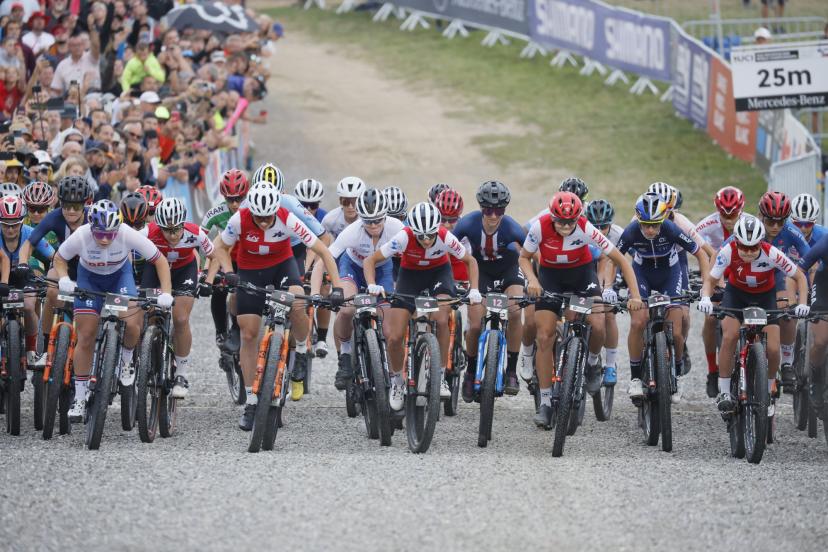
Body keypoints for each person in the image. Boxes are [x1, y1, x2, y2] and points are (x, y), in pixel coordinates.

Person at [211, 184, 344, 430]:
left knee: (296, 301)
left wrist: (337, 287)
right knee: (249, 333)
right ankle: (252, 400)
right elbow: (219, 246)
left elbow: (323, 249)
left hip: (282, 266)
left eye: (268, 217)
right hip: (250, 270)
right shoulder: (240, 218)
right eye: (259, 217)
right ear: (251, 211)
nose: (263, 222)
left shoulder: (287, 218)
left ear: (276, 210)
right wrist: (229, 272)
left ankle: (302, 350)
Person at [520, 191, 644, 429]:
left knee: (598, 324)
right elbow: (524, 257)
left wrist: (635, 295)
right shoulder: (539, 227)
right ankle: (545, 403)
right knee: (544, 336)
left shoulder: (587, 228)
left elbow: (620, 259)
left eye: (571, 222)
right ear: (552, 216)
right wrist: (532, 281)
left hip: (582, 277)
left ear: (578, 217)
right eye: (561, 221)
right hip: (550, 278)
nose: (566, 226)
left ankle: (593, 362)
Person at [54, 200, 173, 422]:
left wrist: (166, 292)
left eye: (111, 233)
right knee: (86, 336)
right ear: (91, 227)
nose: (106, 239)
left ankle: (127, 359)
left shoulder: (127, 233)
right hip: (89, 280)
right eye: (100, 234)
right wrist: (63, 278)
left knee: (131, 323)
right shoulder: (81, 235)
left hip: (120, 277)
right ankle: (80, 397)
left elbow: (160, 260)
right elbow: (60, 258)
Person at [363, 201, 481, 411]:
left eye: (430, 235)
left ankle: (442, 375)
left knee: (441, 318)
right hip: (411, 276)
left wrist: (474, 289)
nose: (426, 240)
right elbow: (370, 260)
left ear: (437, 230)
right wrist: (372, 284)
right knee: (395, 336)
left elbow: (470, 261)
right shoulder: (404, 237)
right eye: (421, 236)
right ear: (413, 232)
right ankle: (398, 382)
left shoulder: (445, 236)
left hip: (439, 274)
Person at [699, 215, 808, 414]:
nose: (748, 252)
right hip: (736, 295)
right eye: (744, 247)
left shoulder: (772, 253)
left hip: (765, 297)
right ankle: (724, 392)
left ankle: (767, 391)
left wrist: (802, 304)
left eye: (754, 248)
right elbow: (711, 280)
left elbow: (799, 276)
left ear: (761, 243)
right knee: (729, 336)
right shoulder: (728, 251)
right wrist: (705, 298)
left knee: (774, 349)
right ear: (736, 242)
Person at [617, 192, 710, 403]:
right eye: (646, 225)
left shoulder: (671, 229)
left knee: (677, 332)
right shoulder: (631, 231)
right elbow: (613, 258)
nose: (650, 230)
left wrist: (706, 289)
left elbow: (701, 255)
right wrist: (607, 286)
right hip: (641, 273)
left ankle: (676, 374)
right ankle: (634, 379)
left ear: (663, 220)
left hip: (670, 274)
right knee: (638, 321)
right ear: (638, 220)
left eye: (655, 225)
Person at [142, 198, 229, 398]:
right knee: (149, 312)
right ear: (159, 226)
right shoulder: (149, 231)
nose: (172, 235)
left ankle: (181, 374)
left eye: (176, 230)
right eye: (167, 230)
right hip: (155, 271)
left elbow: (215, 256)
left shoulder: (195, 232)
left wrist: (208, 280)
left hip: (184, 271)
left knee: (181, 318)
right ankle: (149, 352)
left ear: (183, 223)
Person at [321, 188, 404, 391]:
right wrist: (323, 289)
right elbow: (326, 257)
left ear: (386, 216)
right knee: (347, 309)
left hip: (382, 269)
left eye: (378, 220)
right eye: (368, 221)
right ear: (360, 219)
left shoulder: (397, 227)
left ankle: (388, 369)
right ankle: (346, 356)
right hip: (352, 268)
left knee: (387, 327)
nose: (373, 225)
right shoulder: (352, 232)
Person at [451, 181, 527, 398]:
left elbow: (533, 254)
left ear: (505, 209)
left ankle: (511, 370)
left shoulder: (512, 227)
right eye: (488, 210)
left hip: (509, 270)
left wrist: (535, 281)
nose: (493, 216)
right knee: (474, 324)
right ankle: (471, 371)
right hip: (481, 272)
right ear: (481, 208)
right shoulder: (467, 224)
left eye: (499, 210)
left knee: (514, 311)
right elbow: (447, 250)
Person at [695, 186, 745, 397]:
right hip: (715, 273)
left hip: (741, 273)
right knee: (711, 319)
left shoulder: (750, 223)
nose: (728, 219)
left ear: (741, 209)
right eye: (723, 214)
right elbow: (693, 248)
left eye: (732, 214)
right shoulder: (706, 224)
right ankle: (712, 370)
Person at [757, 191, 810, 393]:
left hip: (779, 275)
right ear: (761, 216)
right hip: (752, 276)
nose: (776, 227)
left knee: (786, 313)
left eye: (781, 222)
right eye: (771, 221)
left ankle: (786, 362)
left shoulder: (791, 231)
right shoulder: (751, 229)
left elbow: (810, 258)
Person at [1, 194, 53, 367]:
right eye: (5, 225)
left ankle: (31, 349)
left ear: (22, 221)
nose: (10, 230)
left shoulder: (31, 233)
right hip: (2, 276)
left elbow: (53, 256)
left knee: (30, 306)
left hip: (24, 275)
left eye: (15, 225)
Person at [201, 168, 248, 349]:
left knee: (241, 293)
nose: (235, 204)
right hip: (224, 258)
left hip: (245, 258)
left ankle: (237, 328)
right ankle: (221, 331)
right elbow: (201, 240)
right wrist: (203, 271)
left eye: (239, 198)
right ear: (224, 197)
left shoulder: (253, 212)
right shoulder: (215, 214)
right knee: (218, 290)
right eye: (230, 199)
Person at [585, 199, 624, 386]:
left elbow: (629, 260)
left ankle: (610, 365)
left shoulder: (619, 234)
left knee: (608, 314)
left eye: (604, 226)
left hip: (611, 275)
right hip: (587, 272)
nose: (600, 231)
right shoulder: (582, 231)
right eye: (595, 226)